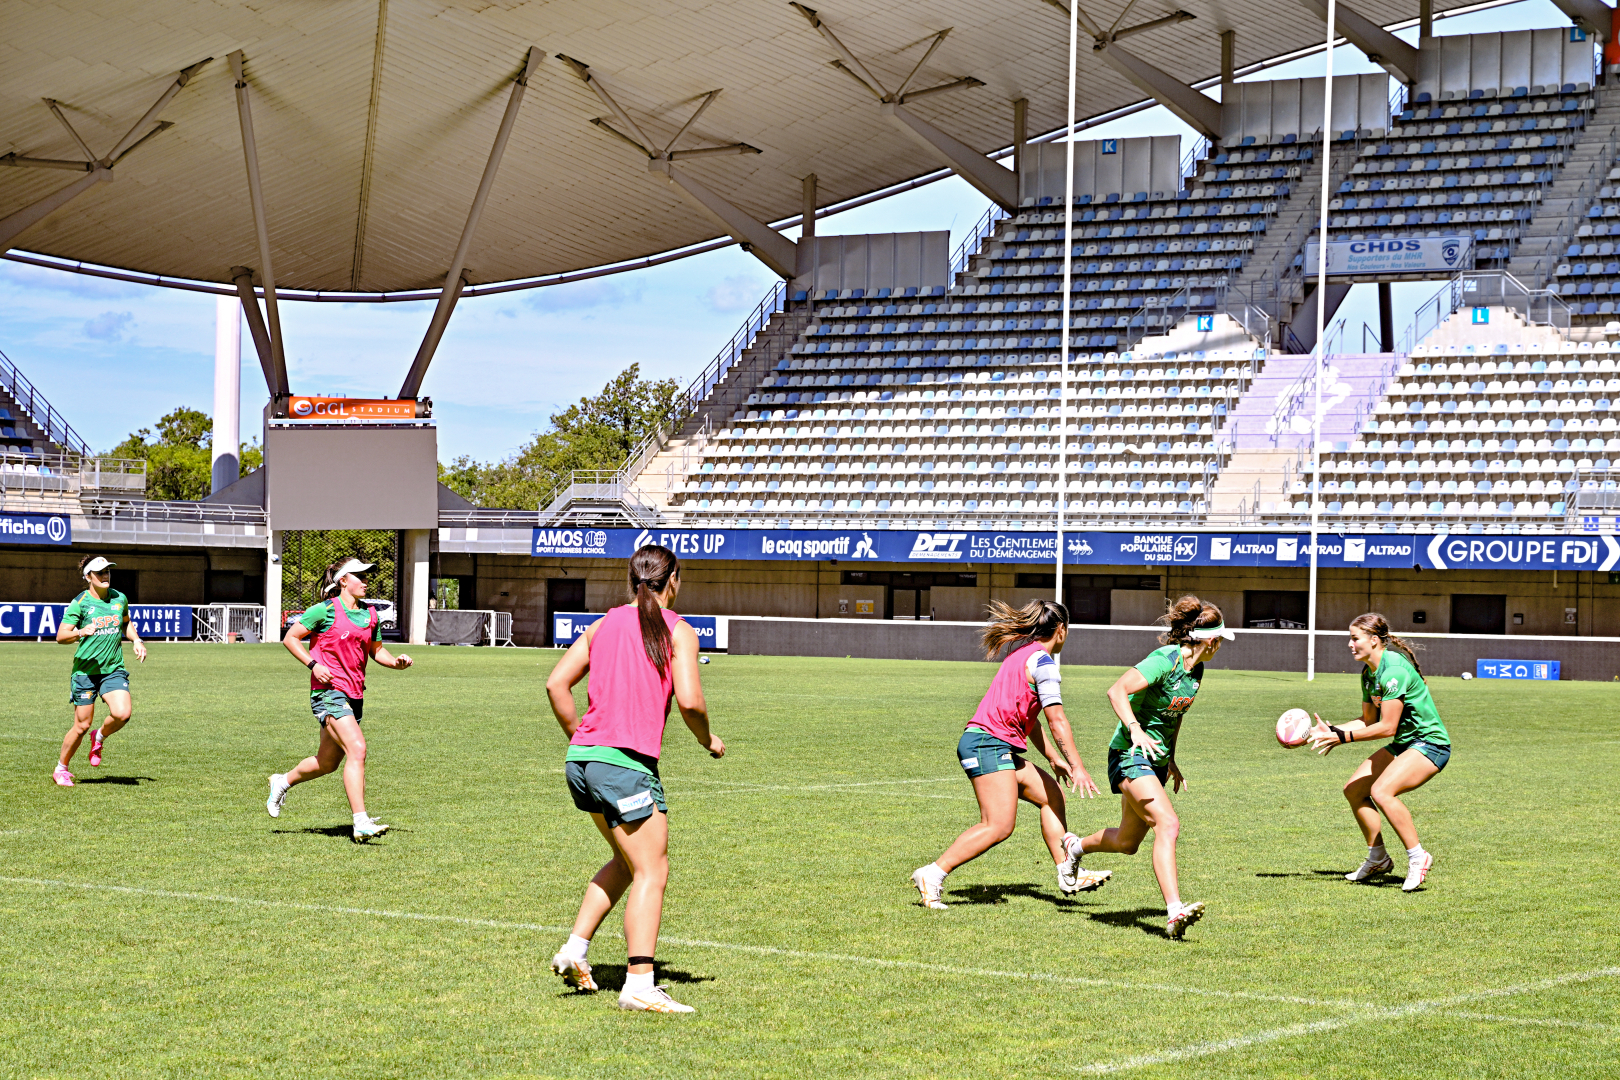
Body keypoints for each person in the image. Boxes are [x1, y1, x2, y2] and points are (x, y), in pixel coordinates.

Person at [545, 544, 724, 1014]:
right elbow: (690, 702)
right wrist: (708, 740)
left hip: (581, 761)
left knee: (626, 863)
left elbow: (555, 684)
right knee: (652, 870)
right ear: (674, 580)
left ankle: (575, 949)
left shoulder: (602, 625)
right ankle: (640, 984)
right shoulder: (678, 630)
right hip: (623, 765)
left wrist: (582, 737)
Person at [911, 599, 1108, 911]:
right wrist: (1078, 767)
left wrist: (1054, 759)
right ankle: (932, 875)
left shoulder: (1022, 656)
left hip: (993, 743)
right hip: (987, 745)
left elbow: (1027, 718)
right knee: (998, 825)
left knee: (1052, 796)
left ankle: (1068, 874)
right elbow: (1057, 720)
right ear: (1061, 630)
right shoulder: (1043, 663)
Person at [1074, 595, 1231, 939]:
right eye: (1219, 639)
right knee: (1168, 823)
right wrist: (1136, 730)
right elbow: (1116, 691)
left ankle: (1075, 848)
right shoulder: (1165, 660)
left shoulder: (1197, 671)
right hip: (1129, 754)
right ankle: (1174, 911)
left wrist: (1171, 758)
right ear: (1209, 639)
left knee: (1128, 842)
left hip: (1156, 761)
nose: (1221, 645)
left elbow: (1173, 718)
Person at [265, 558, 412, 841]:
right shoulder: (325, 610)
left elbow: (377, 651)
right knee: (357, 749)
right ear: (343, 580)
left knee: (327, 763)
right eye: (360, 576)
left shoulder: (370, 614)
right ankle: (361, 822)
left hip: (355, 695)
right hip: (328, 693)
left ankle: (282, 781)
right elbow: (291, 638)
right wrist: (313, 665)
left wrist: (396, 663)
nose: (366, 580)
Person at [1307, 613, 1451, 892]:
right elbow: (1368, 721)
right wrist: (1328, 730)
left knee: (1383, 792)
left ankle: (1418, 857)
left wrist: (1343, 738)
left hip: (1430, 743)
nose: (1350, 644)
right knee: (1354, 790)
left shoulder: (1393, 669)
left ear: (1374, 640)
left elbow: (1387, 727)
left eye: (1355, 638)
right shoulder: (1368, 674)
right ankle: (1378, 859)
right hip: (1405, 743)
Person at [53, 556, 146, 786]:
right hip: (85, 672)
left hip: (113, 669)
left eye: (107, 571)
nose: (105, 576)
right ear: (88, 577)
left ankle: (100, 736)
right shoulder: (80, 602)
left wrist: (136, 639)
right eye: (99, 572)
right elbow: (61, 636)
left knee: (122, 713)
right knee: (82, 725)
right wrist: (81, 632)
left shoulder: (119, 598)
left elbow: (125, 622)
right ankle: (61, 769)